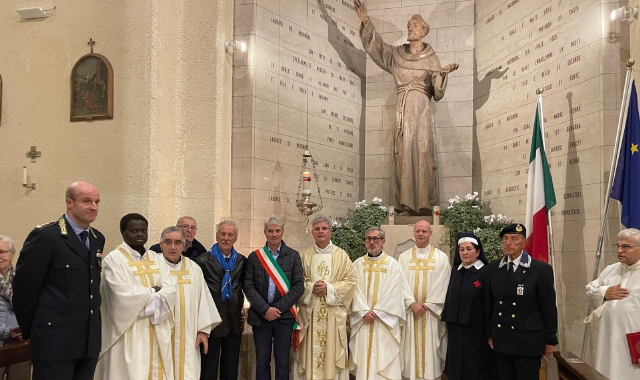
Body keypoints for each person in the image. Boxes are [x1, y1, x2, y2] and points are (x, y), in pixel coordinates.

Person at [354, 0, 458, 215]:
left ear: (423, 31)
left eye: (414, 26)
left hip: (421, 111)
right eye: (409, 25)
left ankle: (424, 205)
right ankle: (405, 205)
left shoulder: (432, 58)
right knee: (403, 153)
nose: (410, 28)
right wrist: (366, 21)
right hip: (402, 111)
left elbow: (437, 93)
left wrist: (443, 74)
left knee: (423, 153)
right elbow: (378, 49)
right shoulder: (397, 55)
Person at [13, 181, 104, 380]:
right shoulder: (47, 236)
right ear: (69, 203)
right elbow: (24, 289)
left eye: (97, 202)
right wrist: (34, 332)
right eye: (87, 201)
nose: (94, 207)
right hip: (54, 341)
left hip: (87, 340)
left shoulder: (97, 238)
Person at [95, 213, 177, 380]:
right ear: (123, 232)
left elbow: (171, 287)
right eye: (134, 231)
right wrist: (153, 292)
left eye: (143, 231)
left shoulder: (155, 258)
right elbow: (119, 295)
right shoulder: (114, 259)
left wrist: (147, 295)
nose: (140, 235)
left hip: (156, 328)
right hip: (128, 332)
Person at [487, 223, 558, 380]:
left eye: (514, 238)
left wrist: (550, 338)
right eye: (505, 239)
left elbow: (548, 307)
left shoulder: (540, 269)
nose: (508, 243)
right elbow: (489, 304)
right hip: (502, 337)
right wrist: (489, 333)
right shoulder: (494, 268)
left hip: (528, 340)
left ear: (524, 242)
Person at [294, 215, 357, 380]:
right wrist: (311, 288)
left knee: (331, 353)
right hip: (310, 315)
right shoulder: (304, 255)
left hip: (332, 316)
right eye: (317, 229)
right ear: (312, 233)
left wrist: (329, 288)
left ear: (330, 231)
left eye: (324, 228)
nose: (320, 231)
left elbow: (350, 282)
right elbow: (297, 281)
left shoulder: (341, 255)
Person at [244, 217, 304, 380]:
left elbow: (299, 286)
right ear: (265, 233)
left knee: (283, 361)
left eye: (277, 230)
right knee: (262, 361)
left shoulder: (293, 255)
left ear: (282, 232)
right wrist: (265, 309)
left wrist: (277, 309)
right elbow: (248, 286)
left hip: (283, 317)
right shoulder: (255, 257)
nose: (274, 234)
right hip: (260, 317)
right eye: (270, 231)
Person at [159, 226, 222, 380]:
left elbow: (204, 300)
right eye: (168, 242)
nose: (173, 247)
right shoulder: (154, 267)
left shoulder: (194, 269)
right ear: (161, 245)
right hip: (160, 334)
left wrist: (203, 331)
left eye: (177, 242)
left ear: (184, 245)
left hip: (188, 336)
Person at [349, 226, 409, 379]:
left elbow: (395, 291)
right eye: (368, 239)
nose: (371, 242)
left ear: (383, 241)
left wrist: (378, 312)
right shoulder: (356, 264)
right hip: (362, 321)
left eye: (375, 239)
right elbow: (353, 290)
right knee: (364, 360)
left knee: (384, 358)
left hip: (384, 322)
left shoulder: (393, 265)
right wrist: (363, 312)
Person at [398, 220, 451, 380]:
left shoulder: (441, 258)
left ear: (430, 233)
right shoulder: (403, 258)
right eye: (418, 231)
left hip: (431, 315)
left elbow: (444, 283)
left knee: (430, 351)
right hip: (410, 314)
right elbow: (399, 283)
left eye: (424, 231)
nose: (420, 234)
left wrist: (428, 305)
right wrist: (411, 303)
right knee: (409, 352)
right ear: (413, 233)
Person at [195, 220, 247, 380]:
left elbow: (244, 287)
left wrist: (242, 304)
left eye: (230, 235)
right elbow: (197, 292)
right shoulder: (202, 261)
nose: (226, 238)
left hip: (233, 322)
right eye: (222, 234)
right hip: (212, 322)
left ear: (235, 238)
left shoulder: (241, 261)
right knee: (208, 369)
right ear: (217, 236)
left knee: (230, 370)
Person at [585, 228, 640, 379]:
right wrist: (604, 292)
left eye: (626, 247)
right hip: (608, 336)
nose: (620, 251)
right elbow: (590, 289)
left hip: (635, 341)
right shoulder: (611, 270)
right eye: (618, 246)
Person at [441, 232, 496, 380]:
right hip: (456, 330)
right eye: (462, 249)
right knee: (456, 369)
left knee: (475, 370)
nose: (465, 253)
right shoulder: (456, 271)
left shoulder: (486, 272)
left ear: (478, 252)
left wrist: (490, 332)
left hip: (477, 332)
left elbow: (490, 303)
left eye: (469, 249)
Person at [0, 235, 30, 380]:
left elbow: (31, 307)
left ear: (11, 255)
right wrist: (8, 331)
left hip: (19, 345)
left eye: (2, 252)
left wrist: (26, 330)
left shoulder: (23, 279)